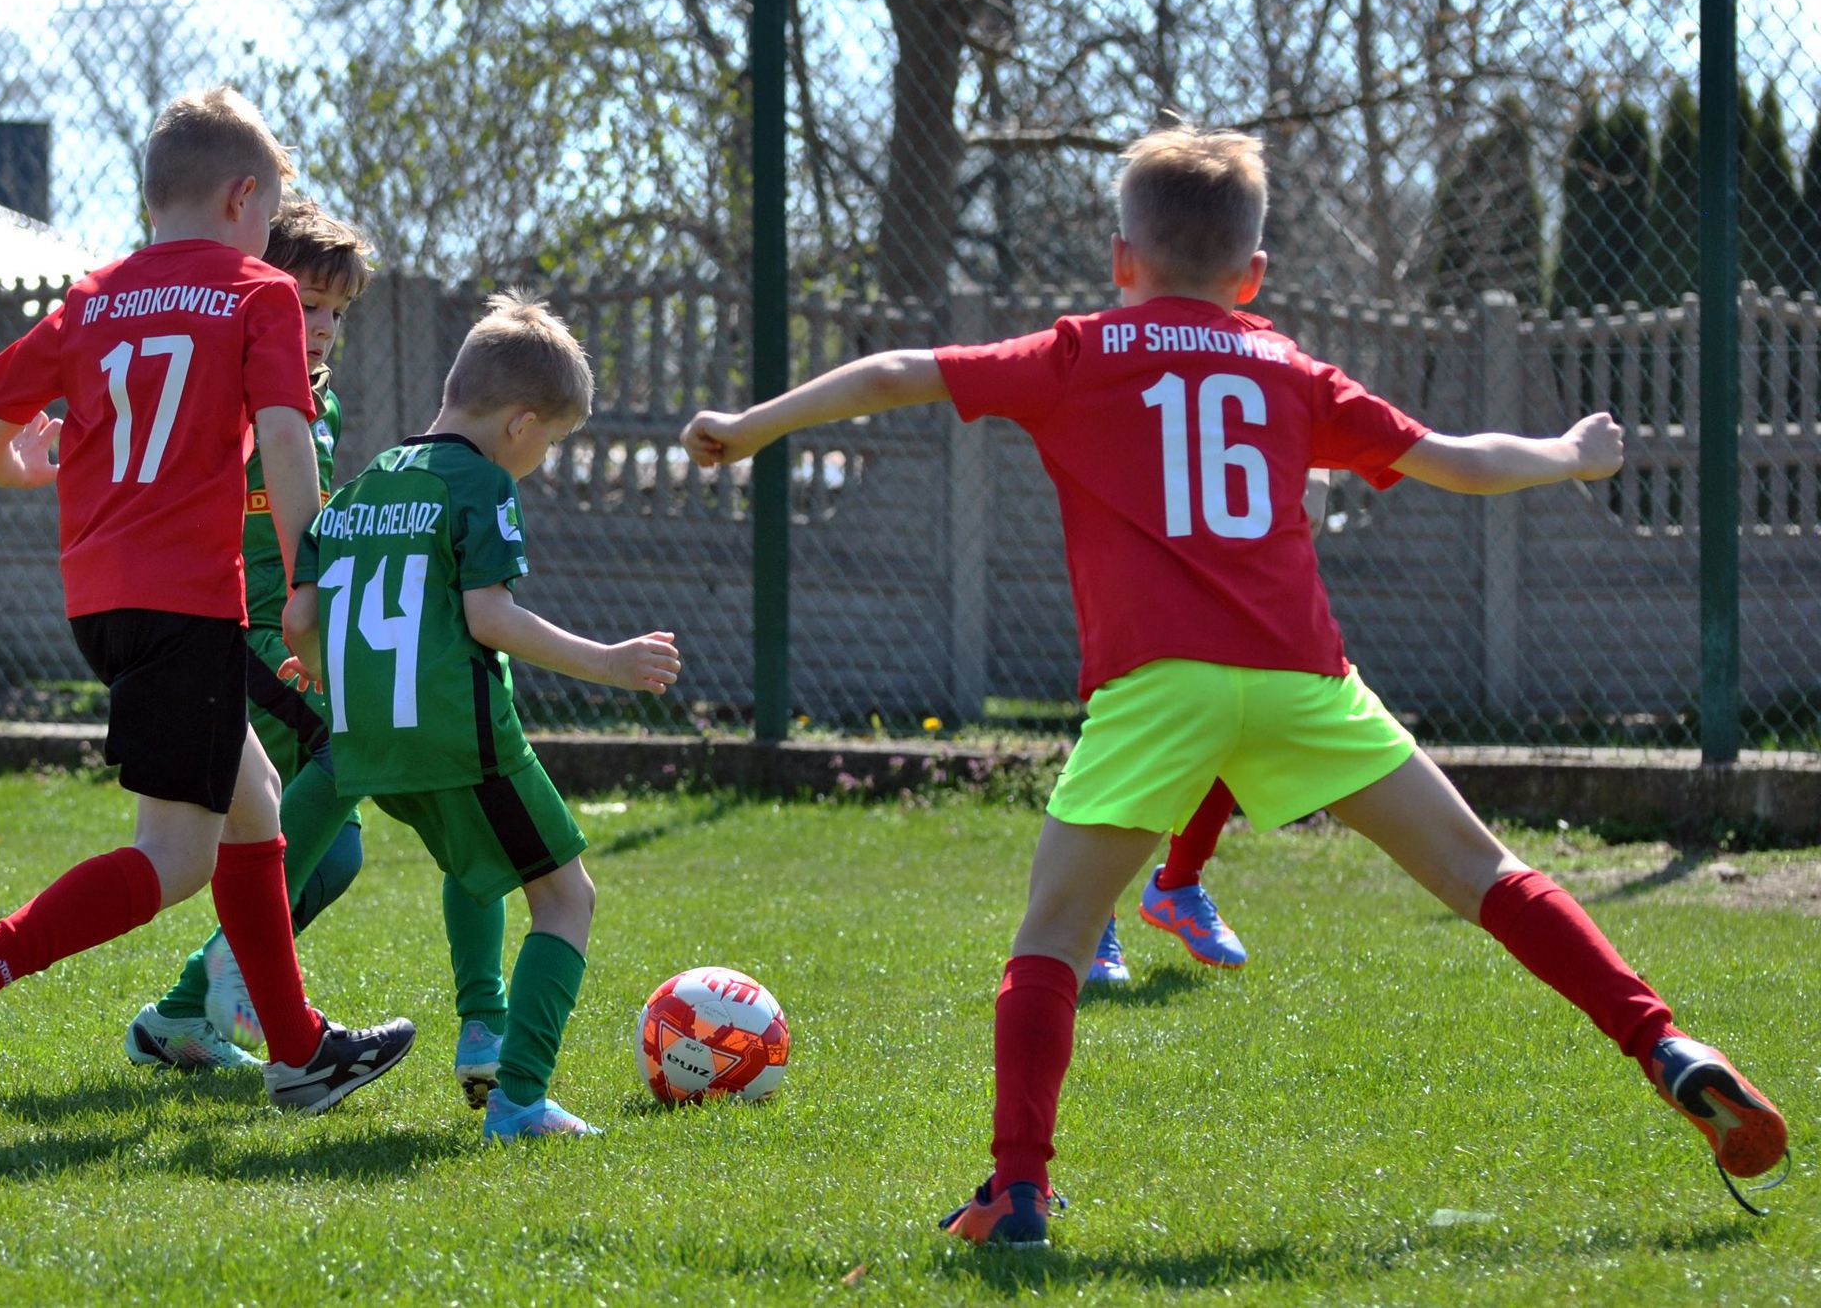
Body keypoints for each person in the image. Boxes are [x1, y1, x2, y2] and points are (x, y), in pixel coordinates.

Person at [681, 123, 1786, 1245]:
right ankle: (1660, 1042)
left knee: (1056, 930)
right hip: (1301, 675)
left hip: (1158, 686)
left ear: (1122, 259)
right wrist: (1568, 453)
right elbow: (1457, 459)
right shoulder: (1289, 370)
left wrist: (754, 424)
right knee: (1483, 871)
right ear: (1252, 274)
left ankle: (1016, 1186)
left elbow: (900, 371)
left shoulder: (1080, 351)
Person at [0, 86, 415, 1126]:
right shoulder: (257, 291)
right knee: (175, 856)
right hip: (189, 602)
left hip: (104, 601)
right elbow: (284, 438)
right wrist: (309, 582)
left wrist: (38, 465)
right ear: (241, 198)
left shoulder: (91, 298)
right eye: (269, 215)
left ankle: (299, 1051)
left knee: (254, 803)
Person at [122, 200, 512, 1107]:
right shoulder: (232, 384)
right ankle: (236, 979)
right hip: (240, 641)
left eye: (338, 309)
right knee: (362, 746)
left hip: (292, 636)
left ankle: (182, 1010)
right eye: (306, 304)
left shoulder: (316, 399)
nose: (324, 327)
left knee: (331, 858)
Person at [281, 291, 683, 1140]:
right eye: (552, 442)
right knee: (567, 898)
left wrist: (322, 671)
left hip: (364, 744)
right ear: (520, 424)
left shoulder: (356, 488)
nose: (540, 458)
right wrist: (608, 662)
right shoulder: (484, 485)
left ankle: (481, 1027)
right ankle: (520, 1099)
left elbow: (298, 623)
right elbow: (489, 619)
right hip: (462, 739)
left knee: (475, 870)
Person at [1089, 470, 1328, 982]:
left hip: (1244, 567)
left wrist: (1314, 475)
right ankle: (1090, 919)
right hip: (1150, 554)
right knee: (1132, 742)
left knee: (1235, 721)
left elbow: (1313, 490)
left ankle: (1178, 884)